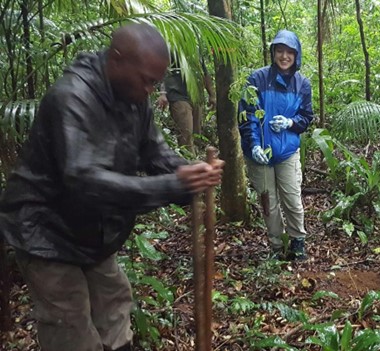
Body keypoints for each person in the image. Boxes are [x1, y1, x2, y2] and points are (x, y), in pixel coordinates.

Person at [0, 23, 224, 351]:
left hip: (94, 231)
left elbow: (155, 153)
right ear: (117, 61)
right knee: (70, 323)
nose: (151, 89)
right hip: (45, 231)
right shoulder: (72, 96)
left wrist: (190, 173)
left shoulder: (134, 95)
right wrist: (171, 185)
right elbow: (83, 180)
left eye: (155, 82)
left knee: (115, 305)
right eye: (147, 80)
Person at [238, 30, 314, 261]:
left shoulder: (302, 84)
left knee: (292, 199)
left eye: (289, 52)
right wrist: (253, 146)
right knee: (268, 202)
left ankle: (297, 241)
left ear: (296, 55)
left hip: (288, 151)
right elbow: (246, 115)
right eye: (279, 51)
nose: (284, 56)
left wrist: (291, 122)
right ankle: (275, 245)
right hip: (260, 153)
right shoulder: (256, 79)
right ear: (273, 52)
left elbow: (306, 117)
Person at [156, 57, 216, 151]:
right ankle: (188, 162)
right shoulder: (174, 45)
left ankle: (194, 161)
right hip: (178, 94)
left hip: (196, 96)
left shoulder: (196, 45)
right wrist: (163, 93)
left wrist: (212, 95)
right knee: (186, 136)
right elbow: (163, 69)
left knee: (197, 136)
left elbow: (204, 72)